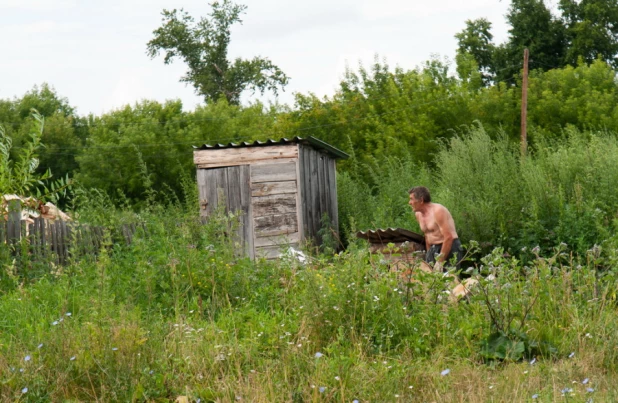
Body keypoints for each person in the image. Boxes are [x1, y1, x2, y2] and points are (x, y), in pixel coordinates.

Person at [408, 186, 463, 271]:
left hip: (449, 247)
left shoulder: (438, 211)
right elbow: (427, 236)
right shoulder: (418, 215)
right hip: (434, 249)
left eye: (411, 199)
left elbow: (449, 237)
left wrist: (440, 261)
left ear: (421, 200)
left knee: (450, 281)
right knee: (431, 280)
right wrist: (429, 254)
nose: (409, 202)